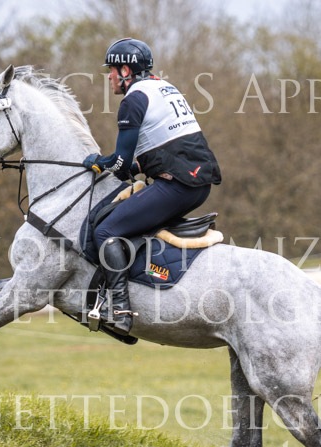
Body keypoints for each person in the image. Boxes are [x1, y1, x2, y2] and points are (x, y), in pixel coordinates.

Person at [83, 38, 222, 335]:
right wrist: (128, 168)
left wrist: (99, 161)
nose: (109, 77)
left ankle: (120, 309)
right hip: (196, 183)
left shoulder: (133, 99)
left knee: (105, 231)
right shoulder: (164, 88)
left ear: (125, 71)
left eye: (111, 71)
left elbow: (121, 163)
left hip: (179, 186)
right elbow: (160, 153)